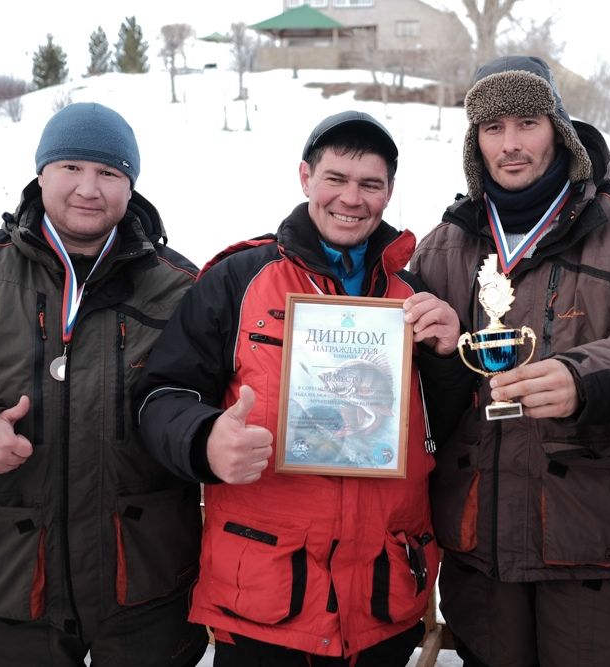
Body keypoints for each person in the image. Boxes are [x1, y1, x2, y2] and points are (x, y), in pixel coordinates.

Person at [134, 110, 463, 666]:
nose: (351, 199)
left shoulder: (414, 293)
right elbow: (159, 396)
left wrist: (450, 358)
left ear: (389, 193)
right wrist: (204, 438)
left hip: (381, 599)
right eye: (335, 179)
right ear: (305, 177)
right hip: (264, 596)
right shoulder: (238, 280)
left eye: (370, 185)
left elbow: (445, 432)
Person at [410, 55, 610, 667]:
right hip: (481, 544)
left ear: (560, 130)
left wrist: (581, 377)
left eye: (528, 123)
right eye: (493, 129)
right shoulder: (444, 242)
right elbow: (427, 403)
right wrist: (436, 356)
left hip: (602, 542)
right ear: (475, 142)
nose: (511, 145)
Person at [0, 102, 208, 666]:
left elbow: (208, 404)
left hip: (143, 577)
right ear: (41, 172)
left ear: (131, 184)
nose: (88, 189)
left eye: (110, 173)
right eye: (71, 167)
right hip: (13, 576)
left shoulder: (183, 288)